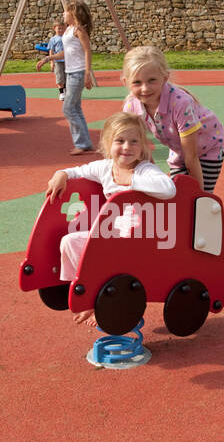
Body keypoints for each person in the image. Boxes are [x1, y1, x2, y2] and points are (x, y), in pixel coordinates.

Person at [46, 112, 177, 324]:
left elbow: (168, 188)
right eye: (120, 141)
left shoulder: (144, 170)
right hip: (111, 233)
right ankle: (84, 292)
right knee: (69, 242)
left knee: (104, 253)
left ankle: (102, 300)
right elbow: (77, 171)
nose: (127, 147)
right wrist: (60, 174)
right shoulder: (105, 168)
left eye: (134, 141)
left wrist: (131, 180)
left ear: (142, 145)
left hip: (140, 239)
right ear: (108, 144)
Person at [120, 46, 224, 192]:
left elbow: (192, 157)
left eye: (151, 80)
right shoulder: (131, 107)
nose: (145, 88)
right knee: (174, 194)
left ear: (164, 78)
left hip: (207, 148)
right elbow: (140, 150)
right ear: (126, 82)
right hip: (178, 149)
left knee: (195, 198)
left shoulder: (181, 104)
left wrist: (199, 197)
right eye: (137, 82)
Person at [45, 2, 96, 154]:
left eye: (65, 12)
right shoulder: (68, 30)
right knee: (75, 108)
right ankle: (85, 143)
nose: (62, 14)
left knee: (68, 108)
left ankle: (81, 143)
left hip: (78, 72)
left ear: (73, 14)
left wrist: (87, 74)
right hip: (70, 72)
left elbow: (87, 51)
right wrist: (49, 58)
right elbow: (66, 53)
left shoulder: (79, 30)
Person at [34, 19, 67, 100]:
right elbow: (51, 51)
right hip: (57, 61)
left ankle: (66, 90)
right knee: (60, 77)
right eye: (58, 28)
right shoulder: (53, 39)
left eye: (62, 28)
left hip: (67, 60)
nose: (60, 30)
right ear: (54, 29)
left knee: (66, 77)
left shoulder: (67, 37)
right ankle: (61, 92)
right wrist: (52, 62)